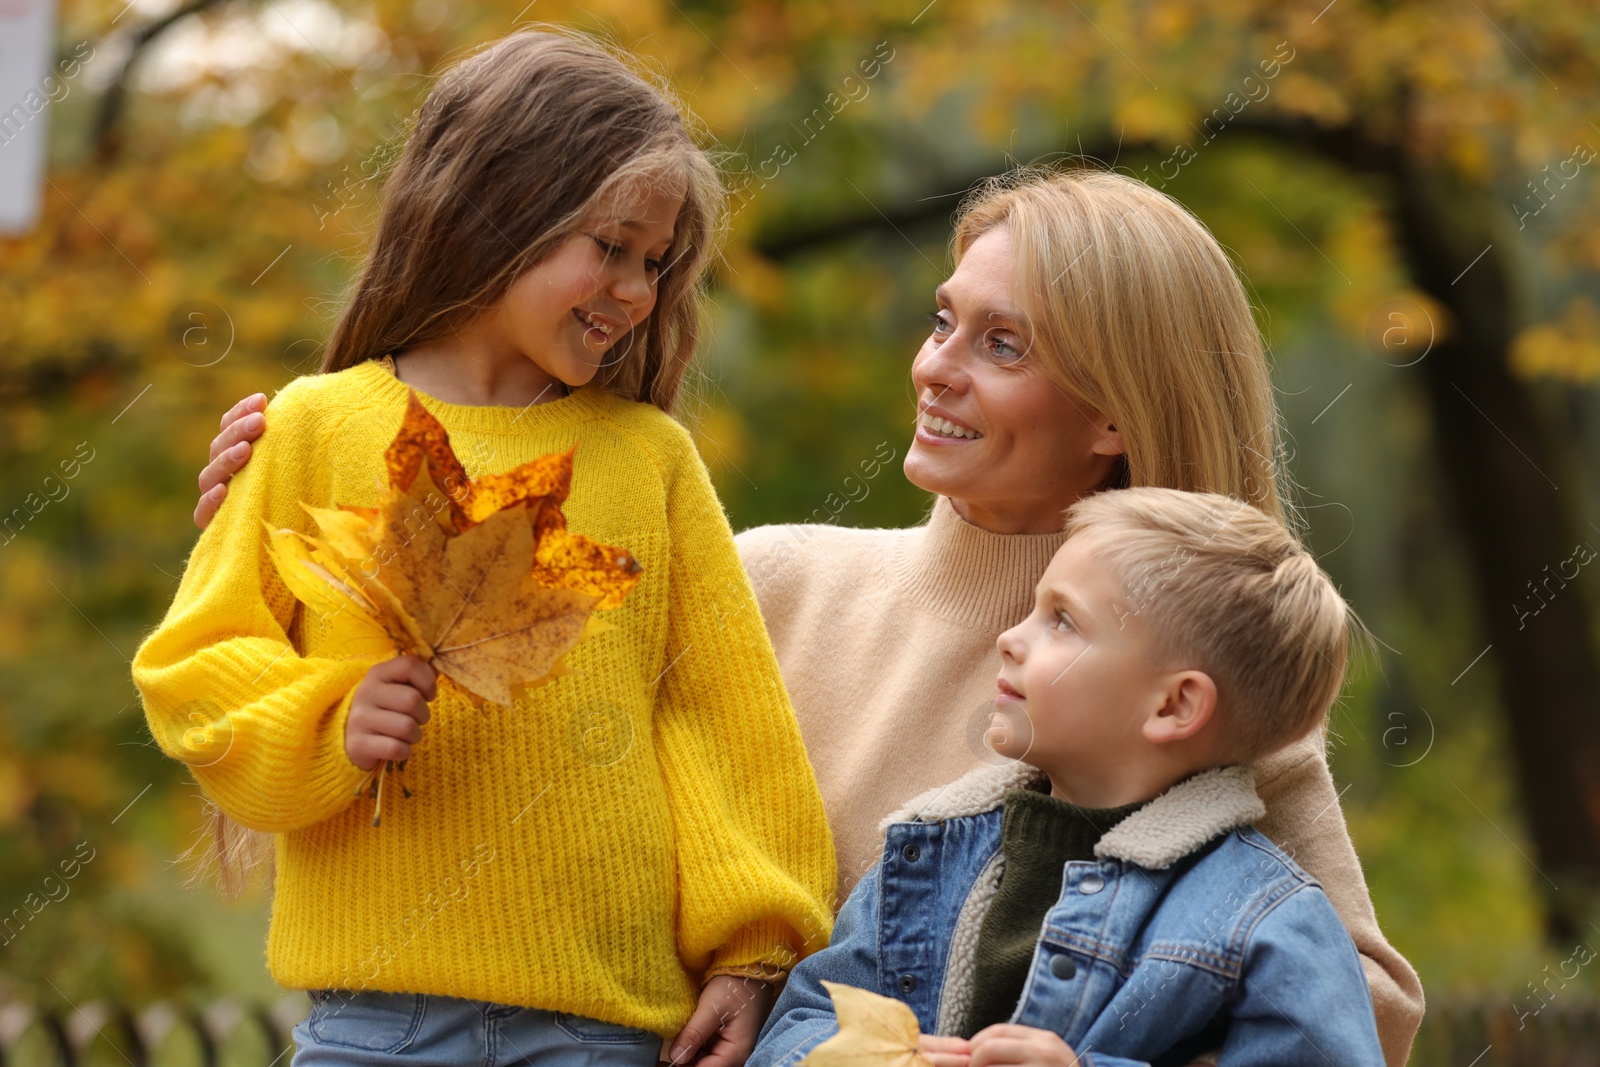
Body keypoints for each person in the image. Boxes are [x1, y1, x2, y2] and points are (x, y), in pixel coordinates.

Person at [190, 169, 1425, 1065]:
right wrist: (281, 538)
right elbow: (471, 764)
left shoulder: (1191, 692)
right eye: (944, 319)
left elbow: (1359, 1010)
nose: (934, 364)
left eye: (1001, 344)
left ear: (1113, 412)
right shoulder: (762, 579)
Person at [132, 30, 834, 1067]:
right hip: (376, 1019)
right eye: (610, 246)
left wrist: (751, 950)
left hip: (608, 1025)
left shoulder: (650, 459)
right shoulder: (316, 427)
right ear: (494, 213)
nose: (637, 290)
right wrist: (331, 723)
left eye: (656, 262)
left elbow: (716, 715)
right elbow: (193, 669)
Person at [750, 487, 1386, 1067]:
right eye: (1033, 609)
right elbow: (802, 1022)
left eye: (1062, 621)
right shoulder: (926, 849)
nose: (1010, 638)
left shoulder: (1266, 919)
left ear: (1174, 706)